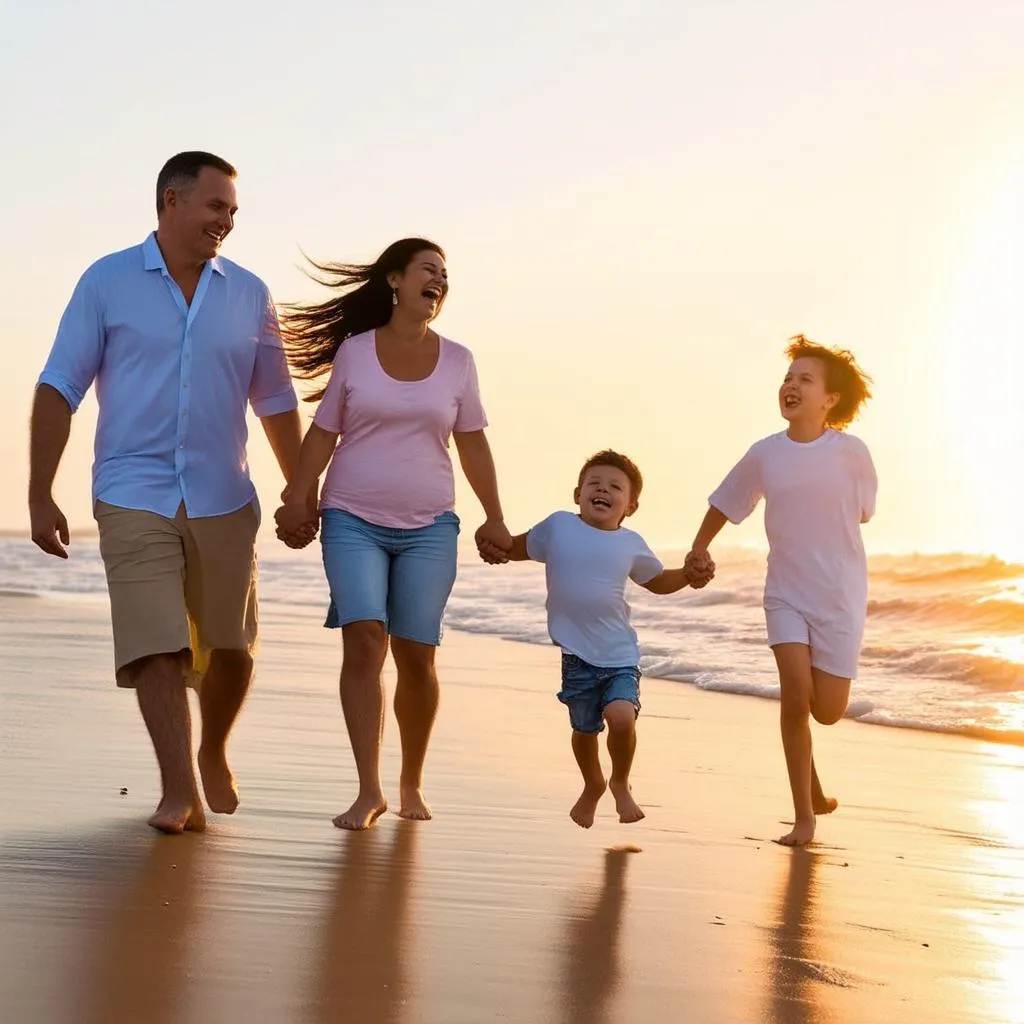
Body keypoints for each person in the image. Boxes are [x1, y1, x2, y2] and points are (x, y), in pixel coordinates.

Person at [29, 151, 308, 835]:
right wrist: (40, 492)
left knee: (231, 650)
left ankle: (213, 748)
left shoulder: (249, 293)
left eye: (234, 211)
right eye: (217, 207)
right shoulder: (107, 281)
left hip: (222, 494)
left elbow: (274, 400)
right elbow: (58, 387)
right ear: (171, 202)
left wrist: (303, 490)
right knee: (157, 645)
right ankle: (179, 789)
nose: (227, 221)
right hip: (132, 490)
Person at [274, 238, 512, 831]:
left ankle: (411, 780)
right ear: (395, 282)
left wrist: (494, 514)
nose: (439, 280)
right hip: (352, 517)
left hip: (431, 526)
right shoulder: (355, 353)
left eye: (445, 274)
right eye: (428, 269)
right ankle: (368, 789)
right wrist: (300, 497)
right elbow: (323, 431)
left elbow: (473, 441)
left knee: (417, 655)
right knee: (364, 640)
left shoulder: (458, 360)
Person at [684, 335, 876, 846]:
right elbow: (727, 501)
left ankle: (811, 784)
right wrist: (700, 546)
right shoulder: (765, 454)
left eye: (805, 380)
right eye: (788, 379)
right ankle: (803, 818)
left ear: (830, 399)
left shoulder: (853, 453)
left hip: (839, 598)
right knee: (795, 693)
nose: (791, 386)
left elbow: (863, 511)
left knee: (826, 710)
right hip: (785, 593)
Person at [489, 450, 713, 829]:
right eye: (594, 484)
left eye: (614, 487)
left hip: (619, 654)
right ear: (577, 493)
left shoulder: (631, 543)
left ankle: (620, 782)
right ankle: (592, 783)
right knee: (584, 729)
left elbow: (657, 581)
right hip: (576, 656)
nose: (602, 491)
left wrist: (690, 576)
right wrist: (492, 544)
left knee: (621, 717)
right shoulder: (558, 526)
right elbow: (514, 547)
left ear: (631, 505)